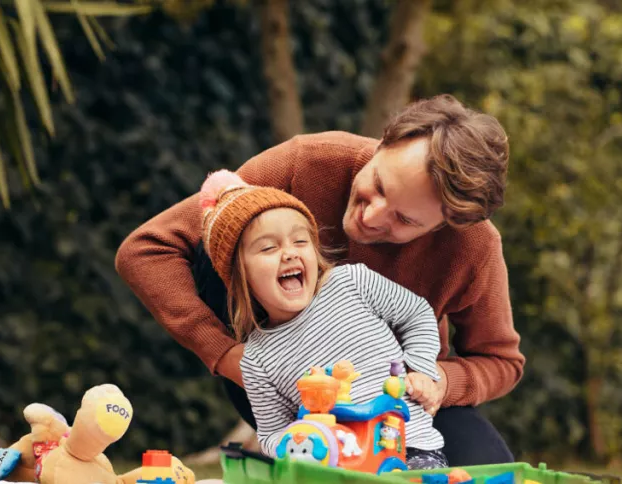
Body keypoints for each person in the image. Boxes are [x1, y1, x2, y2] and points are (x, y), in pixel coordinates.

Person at [115, 94, 525, 465]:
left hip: (400, 393)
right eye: (378, 186)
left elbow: (501, 360)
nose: (370, 217)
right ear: (382, 143)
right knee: (224, 232)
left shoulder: (474, 247)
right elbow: (147, 249)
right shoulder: (309, 162)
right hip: (287, 380)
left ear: (443, 226)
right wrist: (226, 355)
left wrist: (438, 381)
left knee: (487, 466)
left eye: (404, 220)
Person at [197, 169, 448, 470]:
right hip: (336, 465)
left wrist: (421, 368)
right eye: (268, 247)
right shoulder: (256, 360)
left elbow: (418, 314)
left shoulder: (351, 282)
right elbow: (271, 434)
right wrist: (300, 436)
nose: (289, 254)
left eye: (300, 241)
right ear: (240, 276)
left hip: (408, 445)